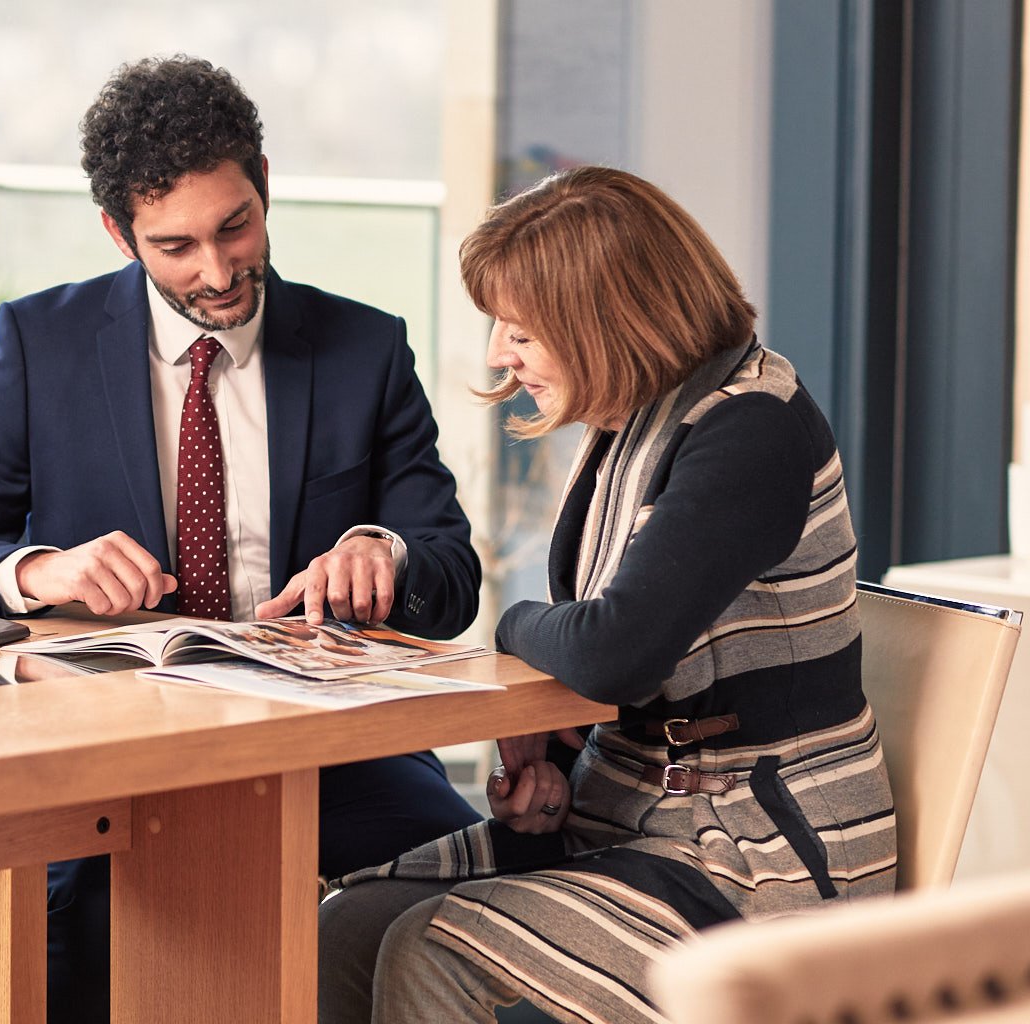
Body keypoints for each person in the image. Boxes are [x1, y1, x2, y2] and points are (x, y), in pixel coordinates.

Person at [0, 55, 484, 1024]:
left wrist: (387, 551)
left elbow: (448, 567)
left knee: (472, 897)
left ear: (262, 183)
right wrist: (41, 571)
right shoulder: (40, 344)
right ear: (117, 232)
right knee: (67, 935)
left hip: (322, 749)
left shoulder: (360, 348)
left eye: (234, 227)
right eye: (173, 246)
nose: (214, 272)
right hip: (106, 747)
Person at [317, 165, 896, 1023]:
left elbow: (613, 649)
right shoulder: (639, 420)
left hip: (757, 857)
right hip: (643, 812)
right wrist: (553, 776)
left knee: (429, 947)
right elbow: (632, 656)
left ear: (604, 321)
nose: (496, 354)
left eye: (520, 329)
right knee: (344, 925)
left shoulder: (753, 428)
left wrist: (512, 625)